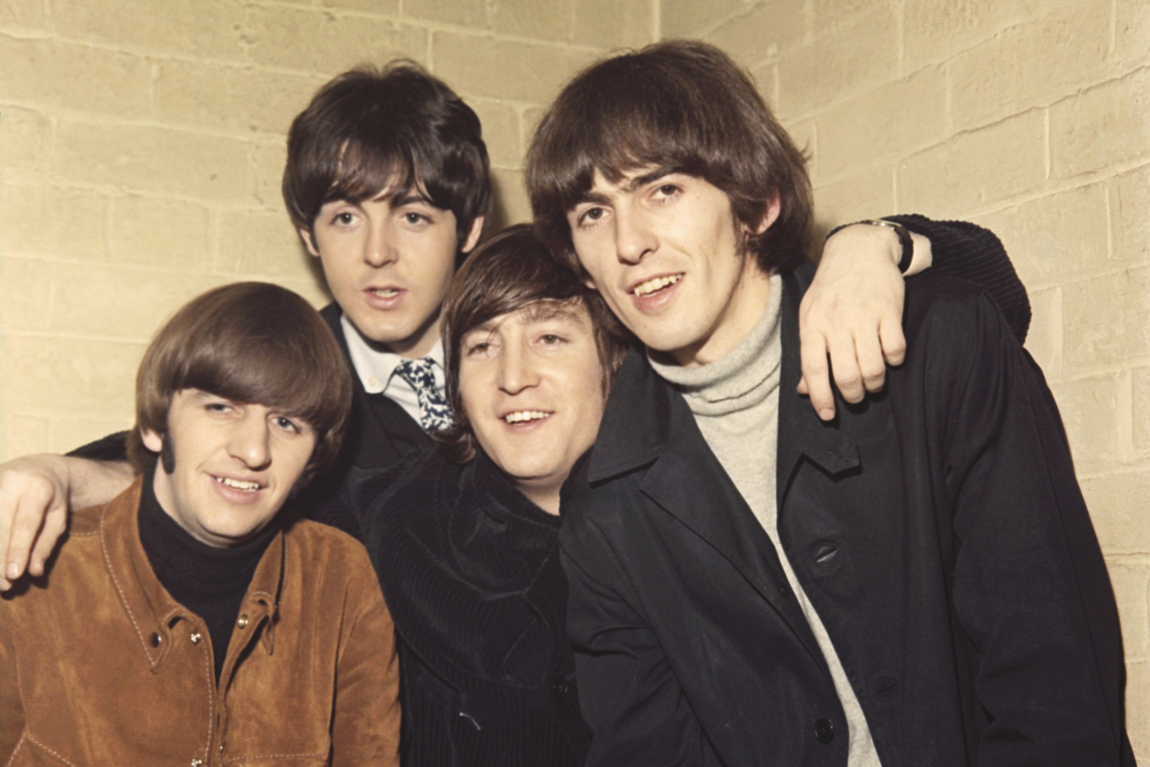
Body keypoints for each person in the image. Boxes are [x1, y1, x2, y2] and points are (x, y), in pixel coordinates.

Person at [0, 60, 998, 588]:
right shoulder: (289, 382)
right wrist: (47, 471)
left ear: (472, 226)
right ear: (308, 233)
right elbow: (166, 462)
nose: (378, 255)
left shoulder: (567, 287)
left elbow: (972, 282)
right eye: (346, 216)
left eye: (415, 215)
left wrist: (881, 241)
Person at [526, 40, 1134, 766]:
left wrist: (876, 241)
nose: (629, 243)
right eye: (593, 212)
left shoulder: (941, 349)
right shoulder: (603, 506)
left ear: (757, 203)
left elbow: (1053, 691)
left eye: (663, 189)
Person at [0, 282, 401, 765]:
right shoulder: (35, 570)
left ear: (314, 459)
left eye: (287, 423)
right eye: (221, 407)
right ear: (154, 425)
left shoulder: (341, 577)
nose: (253, 450)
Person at [344, 224, 628, 766]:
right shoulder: (399, 517)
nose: (513, 377)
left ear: (611, 358)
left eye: (549, 338)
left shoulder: (683, 515)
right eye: (481, 346)